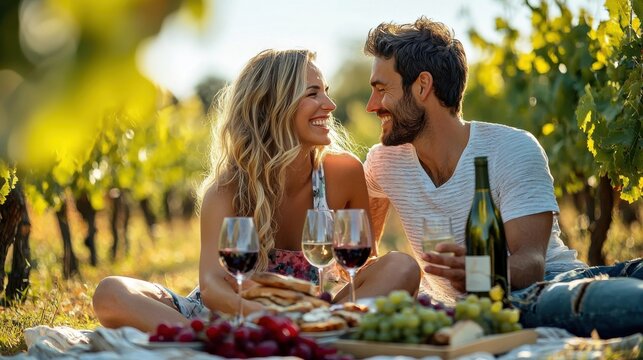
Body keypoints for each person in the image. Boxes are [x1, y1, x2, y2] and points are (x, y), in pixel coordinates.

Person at [92, 49, 421, 332]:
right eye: (313, 93)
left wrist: (312, 316)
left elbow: (361, 264)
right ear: (272, 106)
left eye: (326, 91)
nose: (330, 104)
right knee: (110, 292)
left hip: (313, 316)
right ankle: (209, 341)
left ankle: (314, 334)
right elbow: (210, 287)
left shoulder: (343, 171)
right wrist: (269, 320)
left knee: (401, 267)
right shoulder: (227, 189)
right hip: (228, 317)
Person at [361, 17, 643, 338]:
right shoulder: (384, 162)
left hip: (547, 286)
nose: (371, 106)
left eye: (382, 90)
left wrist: (476, 272)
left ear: (422, 86)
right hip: (497, 307)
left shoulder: (511, 148)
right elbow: (360, 244)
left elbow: (531, 264)